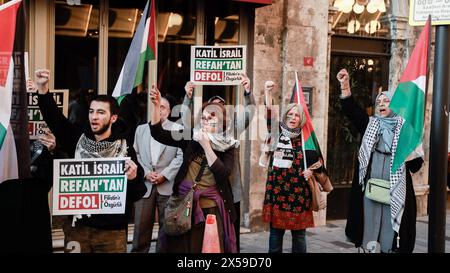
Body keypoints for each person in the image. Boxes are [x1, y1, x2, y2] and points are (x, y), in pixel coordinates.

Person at [32, 69, 146, 253]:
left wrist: (133, 178)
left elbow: (138, 192)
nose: (94, 116)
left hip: (112, 232)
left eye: (101, 112)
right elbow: (55, 119)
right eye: (92, 111)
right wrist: (42, 88)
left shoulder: (124, 148)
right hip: (77, 229)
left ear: (113, 118)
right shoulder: (77, 138)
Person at [337, 69, 423, 253]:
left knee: (392, 236)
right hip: (370, 192)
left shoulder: (405, 130)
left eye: (386, 101)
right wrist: (345, 86)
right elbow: (352, 111)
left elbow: (416, 166)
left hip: (395, 193)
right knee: (369, 231)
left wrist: (408, 148)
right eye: (378, 102)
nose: (381, 104)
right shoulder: (370, 125)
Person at [149, 85, 239, 253]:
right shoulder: (192, 136)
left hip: (210, 209)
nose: (205, 121)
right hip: (183, 205)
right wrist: (155, 106)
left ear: (221, 123)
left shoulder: (229, 146)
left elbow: (223, 174)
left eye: (211, 117)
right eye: (203, 118)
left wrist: (207, 147)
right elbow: (158, 133)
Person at [181, 75, 255, 251]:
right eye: (210, 108)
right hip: (204, 194)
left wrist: (247, 92)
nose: (213, 112)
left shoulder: (231, 133)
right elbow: (184, 122)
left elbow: (248, 115)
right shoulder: (199, 134)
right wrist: (187, 98)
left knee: (228, 236)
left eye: (219, 108)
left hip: (229, 191)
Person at [261, 81, 322, 253]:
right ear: (285, 116)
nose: (293, 118)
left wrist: (311, 170)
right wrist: (268, 92)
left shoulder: (306, 138)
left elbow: (319, 162)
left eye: (296, 115)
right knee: (275, 235)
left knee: (299, 237)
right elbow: (269, 114)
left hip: (299, 195)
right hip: (277, 192)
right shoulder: (277, 132)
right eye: (290, 114)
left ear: (301, 118)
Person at [131, 95, 183, 253]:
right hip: (145, 185)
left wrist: (164, 175)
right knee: (141, 226)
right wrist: (146, 173)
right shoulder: (141, 129)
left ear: (168, 111)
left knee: (166, 226)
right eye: (157, 106)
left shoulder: (177, 129)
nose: (160, 110)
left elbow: (180, 156)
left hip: (167, 184)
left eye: (163, 107)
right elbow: (136, 155)